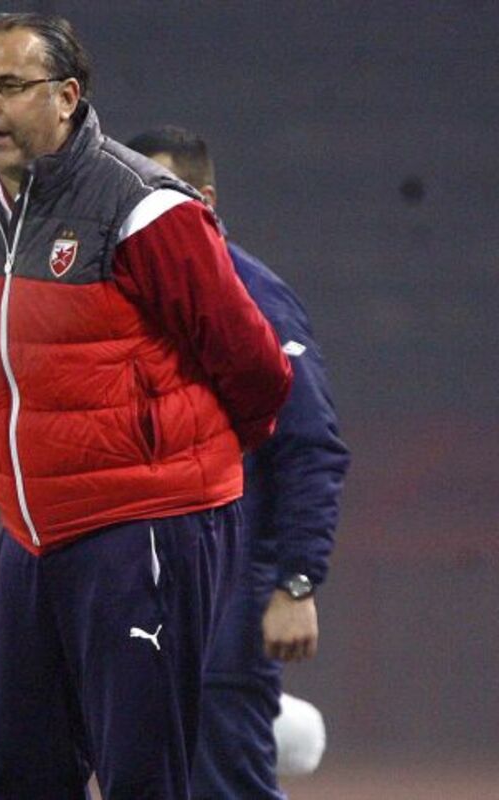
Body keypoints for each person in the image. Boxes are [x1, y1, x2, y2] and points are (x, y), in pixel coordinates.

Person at [0, 13, 294, 799]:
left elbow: (256, 367)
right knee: (22, 776)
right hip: (30, 534)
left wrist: (177, 467)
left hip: (142, 528)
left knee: (142, 777)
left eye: (9, 86)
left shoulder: (144, 208)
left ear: (67, 97)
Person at [127, 126, 350, 799]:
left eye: (162, 197)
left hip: (226, 597)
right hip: (144, 597)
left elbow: (309, 448)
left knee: (223, 781)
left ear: (205, 202)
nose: (144, 216)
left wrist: (297, 583)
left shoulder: (254, 298)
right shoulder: (123, 304)